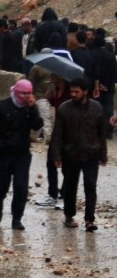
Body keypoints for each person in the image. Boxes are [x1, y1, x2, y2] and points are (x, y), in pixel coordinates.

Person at [0, 80, 43, 230]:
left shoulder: (30, 108)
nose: (26, 96)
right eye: (23, 93)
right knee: (1, 187)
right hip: (2, 154)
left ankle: (17, 219)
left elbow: (37, 125)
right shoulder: (2, 106)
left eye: (29, 93)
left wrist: (32, 109)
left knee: (21, 187)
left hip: (22, 155)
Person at [50, 77, 107, 232]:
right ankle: (69, 216)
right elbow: (57, 134)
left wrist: (103, 155)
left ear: (85, 92)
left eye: (77, 91)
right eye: (72, 91)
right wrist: (56, 156)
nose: (73, 94)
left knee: (90, 185)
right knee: (70, 186)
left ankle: (89, 219)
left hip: (91, 154)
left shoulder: (97, 108)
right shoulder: (64, 109)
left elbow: (101, 134)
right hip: (70, 154)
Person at [91, 34, 116, 139]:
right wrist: (106, 85)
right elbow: (114, 72)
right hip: (109, 88)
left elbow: (92, 71)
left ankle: (96, 131)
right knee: (108, 109)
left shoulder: (91, 55)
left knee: (94, 109)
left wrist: (98, 85)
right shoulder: (111, 56)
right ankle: (108, 131)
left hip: (94, 88)